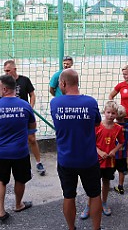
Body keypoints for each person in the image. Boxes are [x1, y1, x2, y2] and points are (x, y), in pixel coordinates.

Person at [50, 68, 102, 230]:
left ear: (63, 83)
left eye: (60, 84)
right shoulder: (91, 102)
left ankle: (71, 228)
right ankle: (96, 228)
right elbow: (97, 123)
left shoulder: (55, 103)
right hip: (88, 158)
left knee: (68, 196)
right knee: (94, 195)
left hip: (66, 159)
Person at [0, 75, 35, 222]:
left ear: (5, 89)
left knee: (0, 180)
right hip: (20, 152)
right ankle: (18, 204)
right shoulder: (25, 106)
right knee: (20, 179)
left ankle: (1, 211)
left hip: (1, 152)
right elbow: (32, 128)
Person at [80, 100, 124, 219]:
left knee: (106, 182)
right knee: (93, 184)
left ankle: (104, 203)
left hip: (109, 162)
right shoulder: (97, 126)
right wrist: (99, 151)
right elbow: (90, 142)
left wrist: (114, 151)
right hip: (96, 161)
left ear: (116, 114)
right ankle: (89, 205)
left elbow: (121, 142)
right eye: (108, 112)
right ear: (104, 112)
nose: (110, 115)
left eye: (113, 113)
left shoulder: (118, 128)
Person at [3, 60, 45, 176]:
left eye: (8, 70)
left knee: (31, 138)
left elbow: (32, 94)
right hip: (11, 116)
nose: (6, 73)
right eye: (5, 71)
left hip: (24, 115)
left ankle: (38, 162)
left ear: (14, 69)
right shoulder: (4, 82)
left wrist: (30, 108)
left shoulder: (24, 80)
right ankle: (14, 163)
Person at [114, 105, 128, 195]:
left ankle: (105, 185)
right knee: (121, 170)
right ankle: (120, 186)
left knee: (109, 169)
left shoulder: (112, 126)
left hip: (112, 154)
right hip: (123, 153)